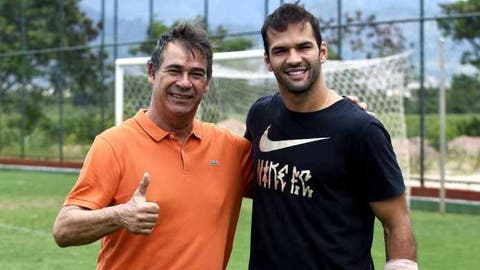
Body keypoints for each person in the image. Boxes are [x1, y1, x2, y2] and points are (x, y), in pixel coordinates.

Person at [52, 22, 253, 270]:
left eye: (196, 74)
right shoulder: (113, 145)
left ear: (207, 82)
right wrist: (120, 215)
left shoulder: (230, 149)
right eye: (174, 70)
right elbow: (64, 229)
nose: (184, 82)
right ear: (152, 72)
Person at [244, 3, 417, 270]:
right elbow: (240, 180)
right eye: (280, 50)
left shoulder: (361, 130)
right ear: (268, 61)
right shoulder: (260, 116)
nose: (293, 59)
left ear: (322, 51)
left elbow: (397, 222)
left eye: (303, 47)